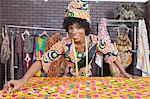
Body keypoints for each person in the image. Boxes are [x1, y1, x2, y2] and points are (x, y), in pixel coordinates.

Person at [3, 0, 132, 93]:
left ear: (86, 28)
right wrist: (23, 80)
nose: (74, 32)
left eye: (79, 27)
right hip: (66, 84)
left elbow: (112, 54)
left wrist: (124, 72)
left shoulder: (95, 41)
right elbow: (42, 61)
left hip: (87, 84)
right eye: (70, 28)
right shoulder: (64, 44)